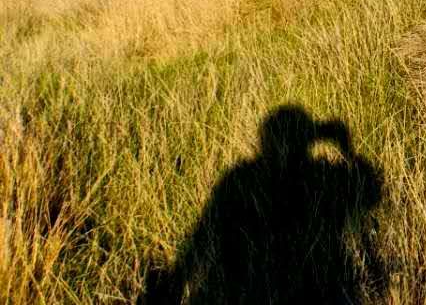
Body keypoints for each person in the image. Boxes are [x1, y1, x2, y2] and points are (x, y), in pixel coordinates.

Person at [141, 105, 386, 304]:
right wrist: (344, 146)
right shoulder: (322, 179)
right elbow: (371, 191)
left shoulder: (242, 179)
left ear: (264, 141)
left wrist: (176, 282)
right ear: (308, 141)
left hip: (244, 292)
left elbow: (202, 239)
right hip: (311, 294)